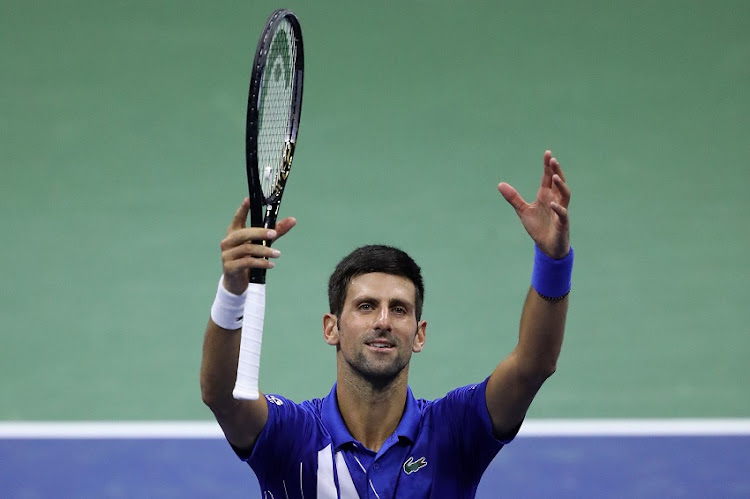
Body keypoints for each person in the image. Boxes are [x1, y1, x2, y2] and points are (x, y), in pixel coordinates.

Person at [200, 150, 573, 498]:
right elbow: (220, 396)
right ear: (332, 328)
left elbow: (533, 365)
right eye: (365, 306)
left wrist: (552, 262)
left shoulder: (452, 431)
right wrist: (233, 290)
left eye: (399, 309)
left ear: (419, 334)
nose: (383, 321)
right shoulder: (293, 435)